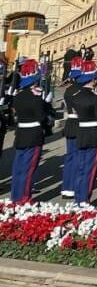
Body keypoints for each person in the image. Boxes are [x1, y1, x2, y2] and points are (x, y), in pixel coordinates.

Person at [9, 59, 48, 204]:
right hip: (33, 135)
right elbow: (41, 117)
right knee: (28, 169)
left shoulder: (18, 96)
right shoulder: (36, 98)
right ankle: (24, 198)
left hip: (21, 134)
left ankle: (15, 196)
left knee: (18, 168)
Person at [71, 59, 97, 205]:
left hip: (81, 132)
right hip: (94, 134)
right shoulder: (96, 98)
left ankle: (78, 198)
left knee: (81, 168)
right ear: (92, 80)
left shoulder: (76, 97)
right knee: (90, 169)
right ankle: (85, 199)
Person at [60, 55, 84, 198]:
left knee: (70, 157)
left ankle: (66, 186)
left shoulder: (69, 90)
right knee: (77, 157)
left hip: (70, 123)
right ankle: (73, 186)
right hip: (79, 123)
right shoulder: (80, 90)